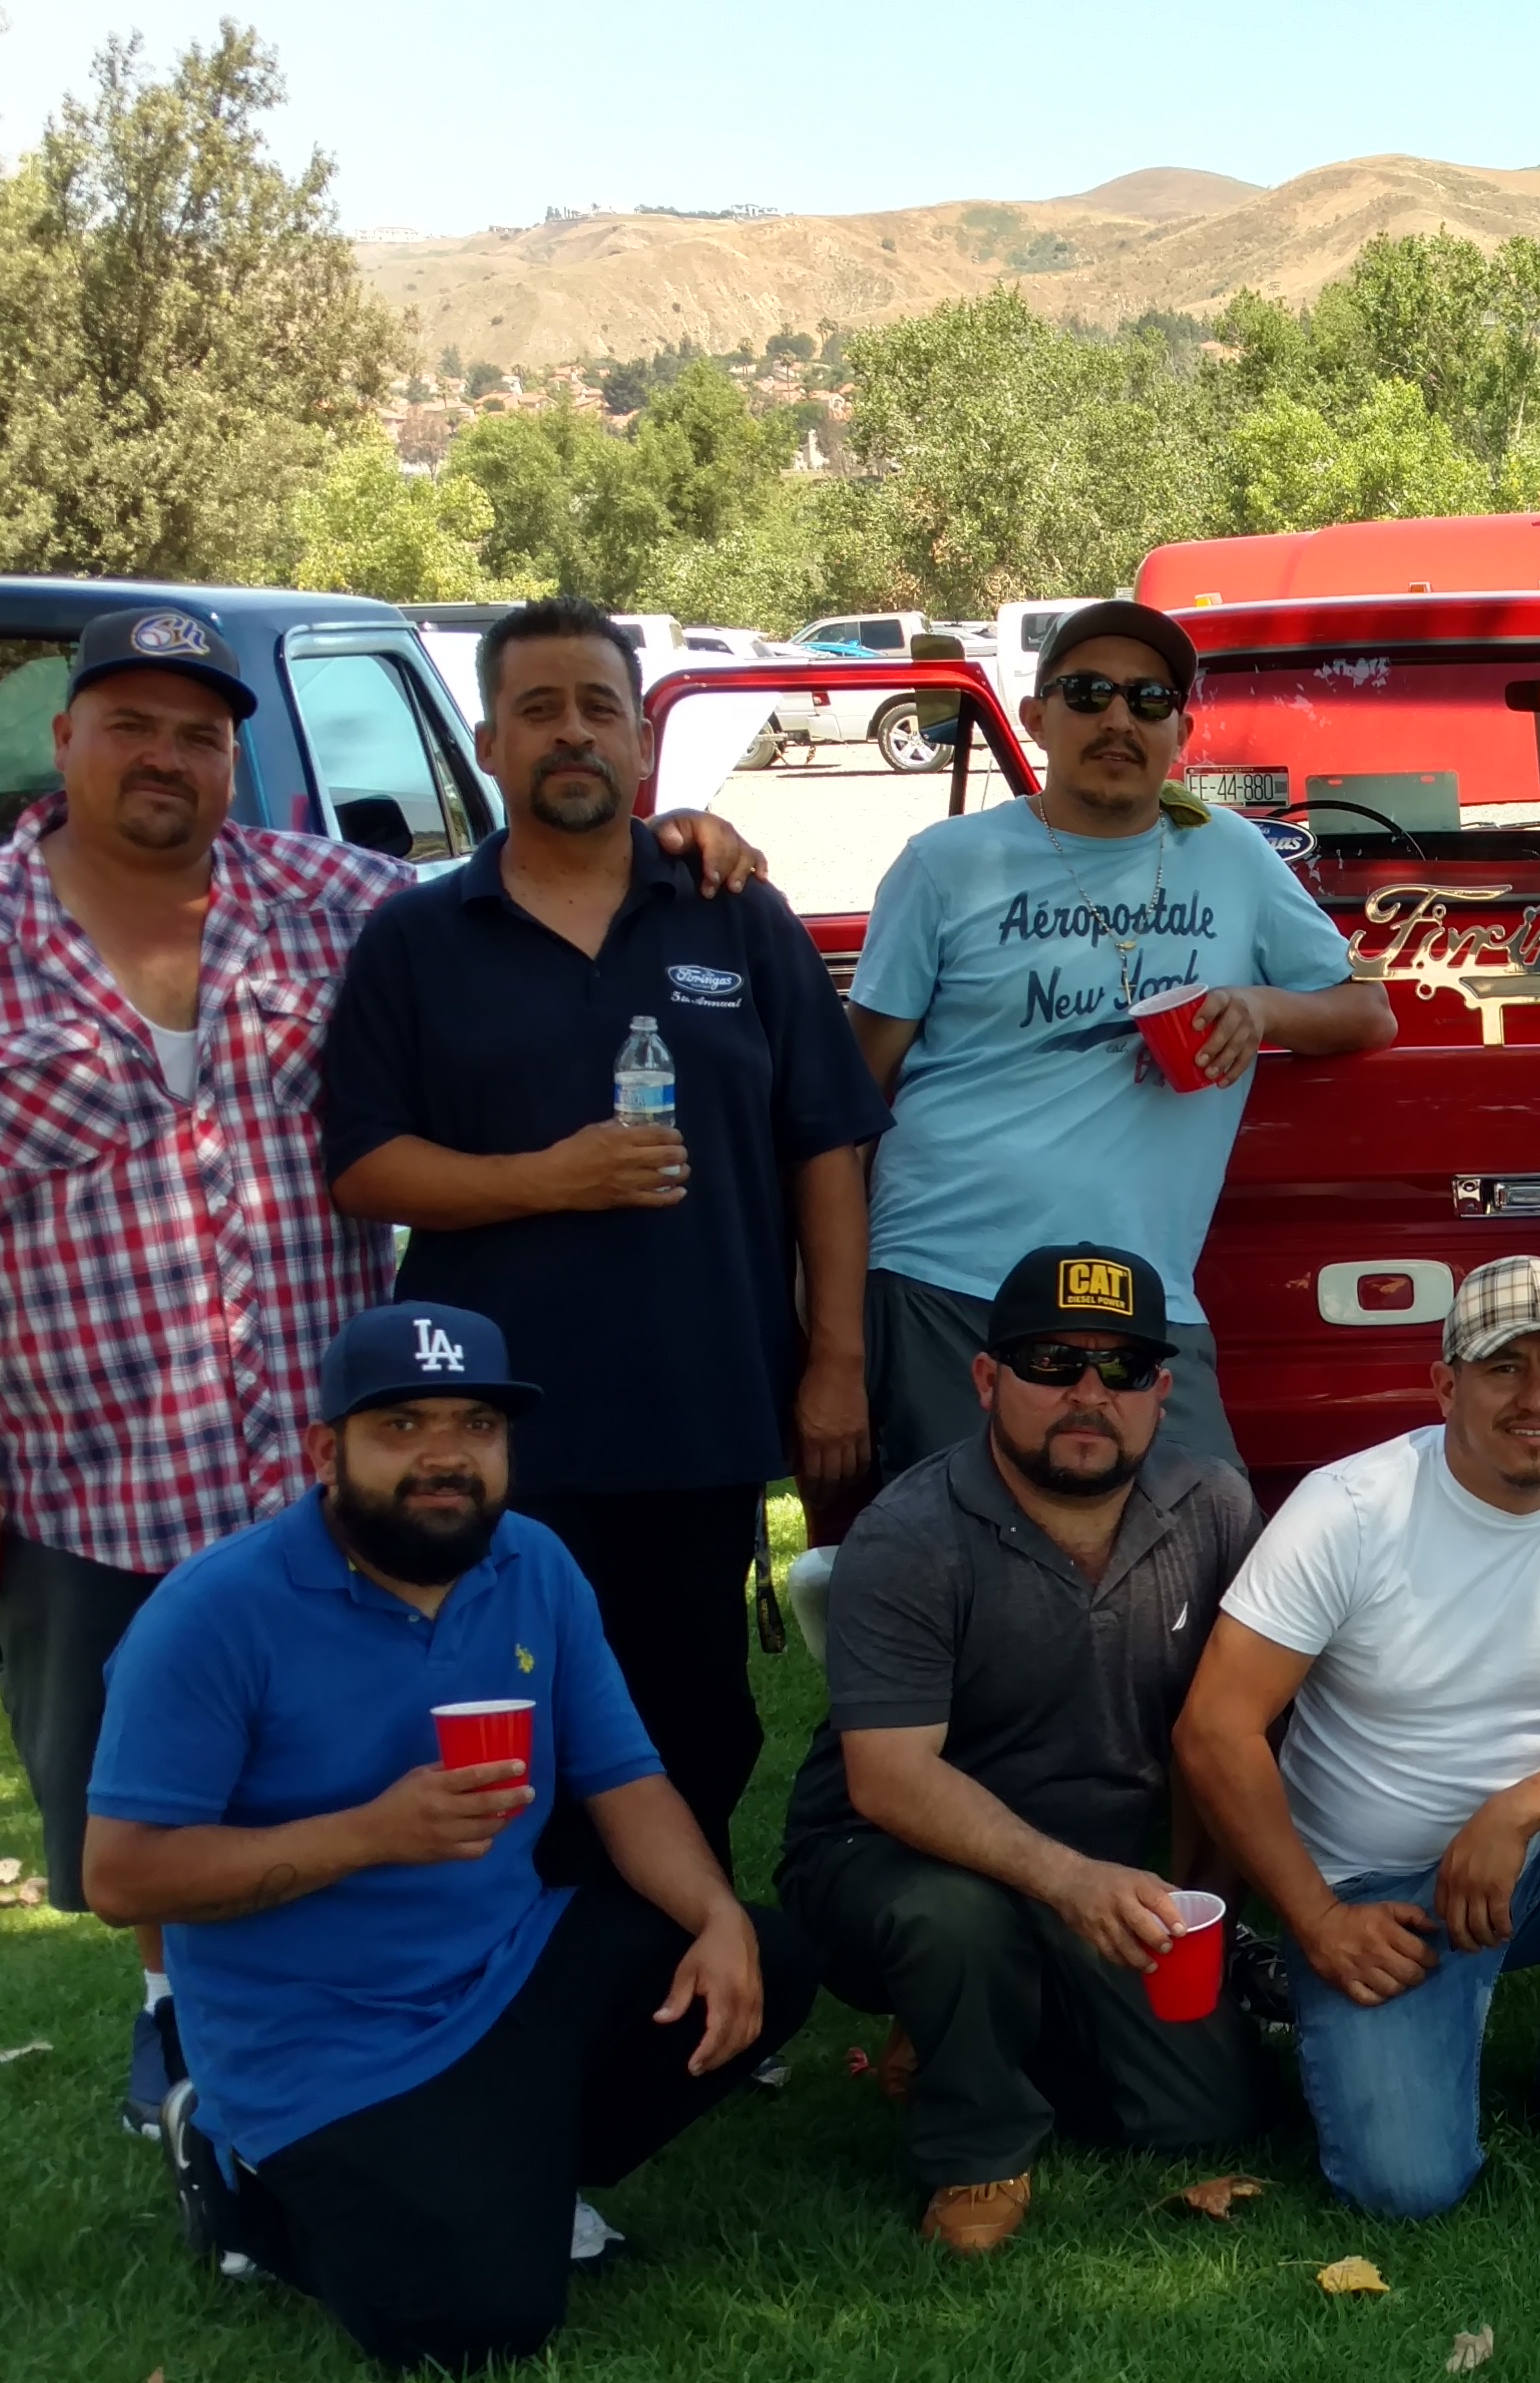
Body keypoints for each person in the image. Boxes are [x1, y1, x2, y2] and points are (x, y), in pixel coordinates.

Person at [0, 602, 759, 2137]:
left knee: (348, 1746)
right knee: (137, 1770)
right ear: (65, 740)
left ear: (233, 756)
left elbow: (530, 877)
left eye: (199, 733)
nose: (166, 757)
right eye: (131, 725)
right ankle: (177, 2015)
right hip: (94, 1465)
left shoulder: (331, 901)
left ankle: (387, 2004)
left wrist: (668, 843)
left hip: (332, 1459)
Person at [83, 1302, 814, 2377]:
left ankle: (510, 2171)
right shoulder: (215, 1613)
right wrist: (369, 1835)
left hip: (505, 1969)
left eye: (477, 1424)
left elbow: (624, 1780)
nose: (445, 1456)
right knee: (474, 2325)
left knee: (765, 1957)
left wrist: (713, 1918)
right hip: (319, 2043)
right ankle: (237, 2175)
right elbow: (120, 1876)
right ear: (324, 1451)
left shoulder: (533, 1565)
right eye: (401, 1426)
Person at [323, 596, 888, 1862]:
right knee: (508, 1728)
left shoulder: (735, 913)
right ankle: (530, 1958)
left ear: (640, 740)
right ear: (486, 743)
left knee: (693, 1720)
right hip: (496, 1423)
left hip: (702, 1407)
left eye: (598, 708)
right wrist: (548, 1179)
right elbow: (363, 1164)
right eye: (538, 710)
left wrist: (835, 1361)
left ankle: (686, 1958)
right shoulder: (419, 939)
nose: (571, 733)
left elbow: (826, 1145)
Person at [1174, 1257, 1540, 2216]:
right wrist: (1317, 1921)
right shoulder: (1351, 1506)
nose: (1537, 1398)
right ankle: (1321, 1993)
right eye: (1504, 1367)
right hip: (1369, 1897)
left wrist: (1515, 1814)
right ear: (1445, 1385)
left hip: (1524, 1857)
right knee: (1405, 2189)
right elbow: (1214, 1728)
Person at [781, 1243, 1267, 2257]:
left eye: (1123, 1367)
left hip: (1092, 1871)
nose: (1089, 1394)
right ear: (985, 1378)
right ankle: (976, 2147)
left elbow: (1226, 1734)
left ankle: (971, 2024)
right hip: (892, 1858)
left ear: (1161, 1391)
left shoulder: (1213, 1507)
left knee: (1199, 2115)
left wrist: (1196, 1904)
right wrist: (1068, 1881)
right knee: (955, 1919)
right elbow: (889, 1778)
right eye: (1051, 1362)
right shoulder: (909, 1532)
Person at [851, 597, 1391, 1480]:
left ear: (1181, 729)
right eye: (1087, 692)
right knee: (964, 1547)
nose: (1117, 718)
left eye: (1148, 699)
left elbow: (1367, 1011)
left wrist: (1262, 1009)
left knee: (1202, 1534)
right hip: (948, 1278)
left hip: (1144, 1291)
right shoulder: (945, 864)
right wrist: (827, 1324)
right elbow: (847, 1096)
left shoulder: (1233, 854)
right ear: (1036, 717)